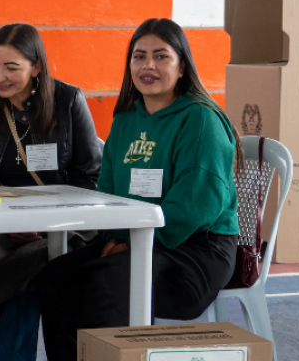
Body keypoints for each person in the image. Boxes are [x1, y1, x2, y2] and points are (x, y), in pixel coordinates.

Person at [38, 18, 240, 361]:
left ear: (182, 67)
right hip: (131, 238)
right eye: (138, 56)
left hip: (194, 250)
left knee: (100, 285)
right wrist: (118, 237)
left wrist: (132, 242)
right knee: (54, 278)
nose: (148, 65)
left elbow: (194, 205)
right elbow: (109, 189)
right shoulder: (127, 119)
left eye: (161, 56)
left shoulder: (200, 120)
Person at [0, 23, 102, 361]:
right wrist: (3, 224)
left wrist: (46, 226)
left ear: (36, 67)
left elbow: (89, 178)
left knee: (28, 264)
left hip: (64, 227)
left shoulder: (68, 100)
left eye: (11, 67)